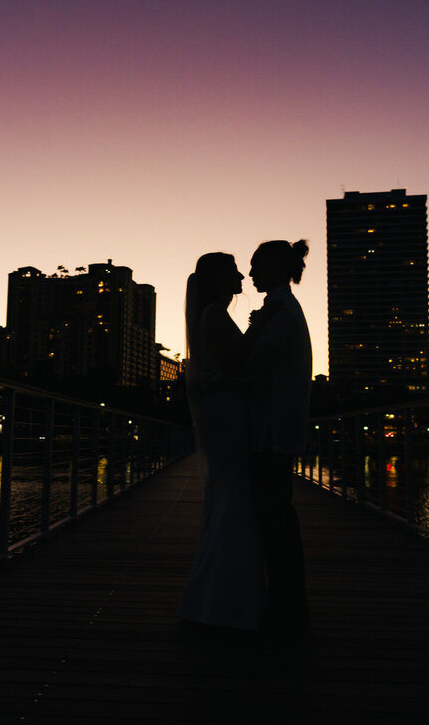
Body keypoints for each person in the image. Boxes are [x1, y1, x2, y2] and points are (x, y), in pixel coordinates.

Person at [178, 252, 267, 630]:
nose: (243, 275)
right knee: (234, 496)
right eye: (234, 270)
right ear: (219, 279)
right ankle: (227, 601)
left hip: (224, 415)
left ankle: (221, 598)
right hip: (227, 417)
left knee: (229, 496)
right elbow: (235, 368)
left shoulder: (213, 315)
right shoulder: (214, 315)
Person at [244, 239, 312, 633]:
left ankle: (287, 609)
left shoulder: (282, 312)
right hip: (275, 427)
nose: (251, 274)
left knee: (276, 518)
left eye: (256, 266)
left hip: (270, 429)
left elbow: (255, 366)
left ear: (273, 268)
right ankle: (286, 604)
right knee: (276, 515)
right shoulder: (283, 309)